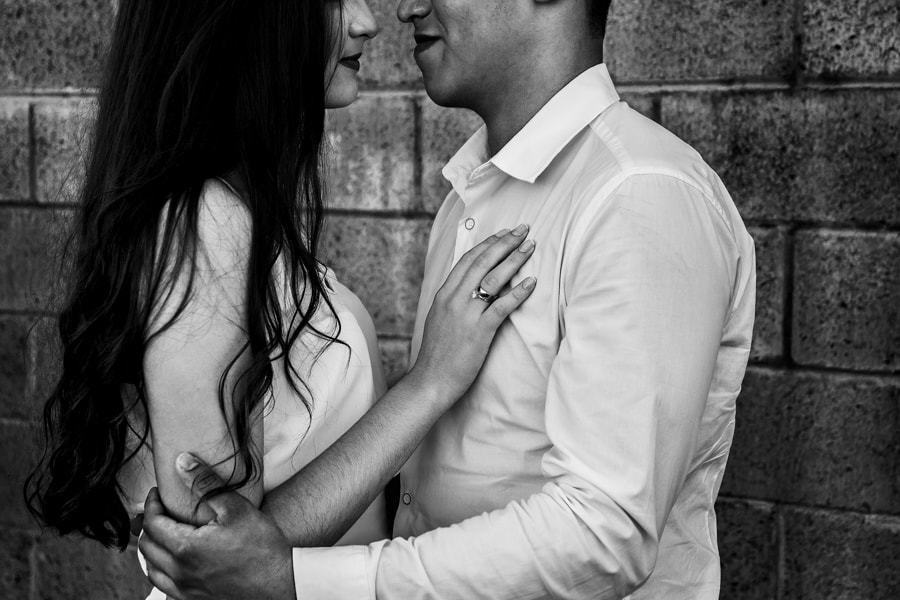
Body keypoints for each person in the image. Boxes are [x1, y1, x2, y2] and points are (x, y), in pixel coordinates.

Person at [139, 0, 757, 598]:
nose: (400, 11)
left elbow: (603, 530)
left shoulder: (636, 194)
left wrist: (300, 580)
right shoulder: (471, 197)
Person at [24, 1, 539, 598]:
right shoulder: (204, 223)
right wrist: (430, 384)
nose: (367, 22)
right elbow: (217, 554)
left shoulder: (231, 213)